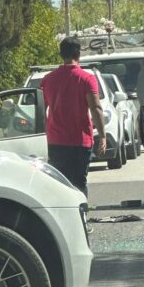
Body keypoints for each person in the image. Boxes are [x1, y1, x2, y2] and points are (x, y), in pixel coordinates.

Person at [40, 37, 107, 198]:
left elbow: (41, 110)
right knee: (79, 183)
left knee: (60, 184)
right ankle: (81, 216)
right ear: (78, 53)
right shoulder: (87, 79)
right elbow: (96, 107)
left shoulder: (48, 80)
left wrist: (44, 133)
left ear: (61, 54)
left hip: (56, 141)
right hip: (80, 141)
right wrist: (103, 136)